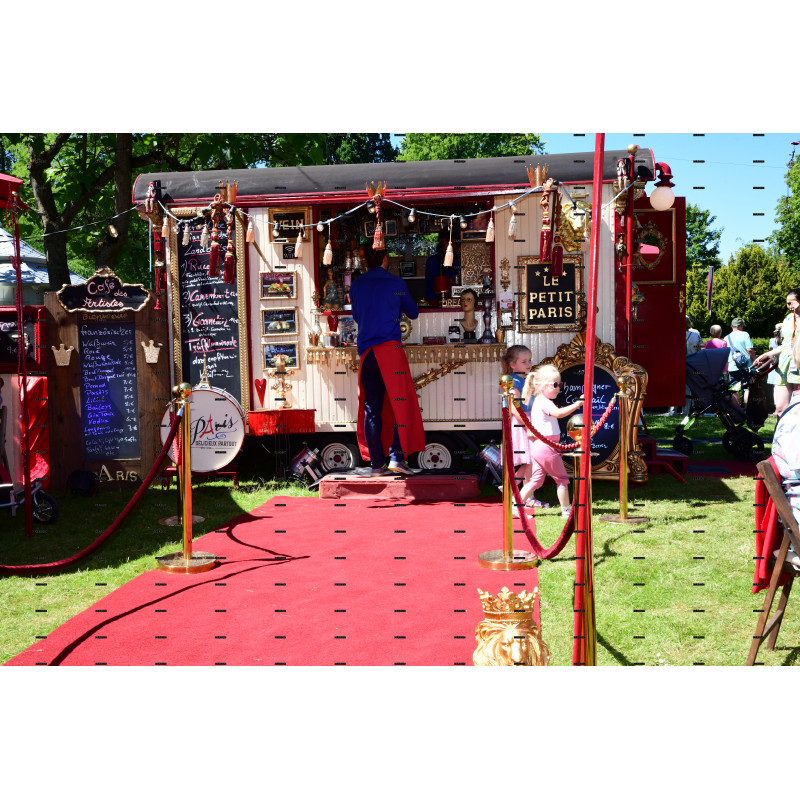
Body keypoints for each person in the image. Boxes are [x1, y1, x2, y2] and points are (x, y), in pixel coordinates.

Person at [350, 240, 425, 476]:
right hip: (390, 351)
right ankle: (396, 458)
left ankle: (376, 465)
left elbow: (357, 316)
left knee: (372, 408)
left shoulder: (357, 285)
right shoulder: (396, 283)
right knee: (400, 404)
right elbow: (413, 312)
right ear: (385, 260)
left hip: (367, 354)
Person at [521, 364, 584, 518]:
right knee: (562, 479)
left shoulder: (540, 400)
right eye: (555, 384)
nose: (558, 388)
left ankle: (516, 505)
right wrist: (577, 404)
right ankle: (566, 511)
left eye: (560, 384)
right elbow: (558, 413)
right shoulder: (544, 402)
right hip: (546, 446)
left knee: (536, 481)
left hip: (541, 446)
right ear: (540, 386)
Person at [500, 345, 548, 513]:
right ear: (512, 364)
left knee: (531, 461)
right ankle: (522, 493)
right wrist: (528, 427)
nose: (529, 364)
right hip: (522, 423)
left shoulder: (525, 379)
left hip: (528, 421)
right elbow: (514, 408)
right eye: (524, 361)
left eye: (529, 360)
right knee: (531, 460)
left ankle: (516, 488)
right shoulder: (513, 382)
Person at [753, 289, 800, 417]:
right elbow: (785, 345)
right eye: (787, 303)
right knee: (780, 408)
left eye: (792, 303)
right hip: (785, 366)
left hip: (798, 366)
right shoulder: (788, 319)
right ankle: (780, 430)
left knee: (798, 410)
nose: (789, 306)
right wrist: (768, 354)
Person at [725, 317, 754, 408]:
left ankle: (737, 410)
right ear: (741, 326)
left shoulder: (726, 337)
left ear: (732, 326)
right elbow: (750, 350)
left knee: (734, 388)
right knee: (747, 388)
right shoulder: (745, 334)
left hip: (732, 367)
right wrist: (755, 360)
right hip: (746, 367)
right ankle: (746, 408)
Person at [424, 229, 460, 301]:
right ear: (441, 241)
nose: (452, 244)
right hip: (435, 300)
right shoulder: (433, 261)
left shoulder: (458, 260)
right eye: (448, 241)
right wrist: (450, 280)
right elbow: (433, 283)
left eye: (454, 242)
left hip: (455, 299)